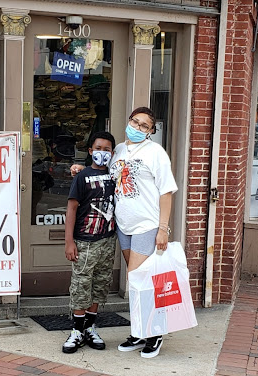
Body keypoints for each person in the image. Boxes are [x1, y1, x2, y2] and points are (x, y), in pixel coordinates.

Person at [71, 107, 177, 359]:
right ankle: (140, 331)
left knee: (141, 280)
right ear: (128, 121)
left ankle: (154, 333)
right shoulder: (118, 150)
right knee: (136, 281)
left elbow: (166, 192)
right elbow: (103, 171)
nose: (137, 128)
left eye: (144, 125)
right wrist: (80, 169)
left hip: (146, 224)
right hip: (123, 225)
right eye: (135, 122)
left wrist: (163, 228)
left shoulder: (156, 153)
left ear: (151, 131)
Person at [62, 131, 117, 354]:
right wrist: (69, 241)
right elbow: (72, 208)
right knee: (81, 284)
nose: (102, 153)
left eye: (107, 150)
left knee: (100, 284)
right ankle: (76, 330)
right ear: (90, 151)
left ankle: (90, 327)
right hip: (84, 241)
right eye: (98, 149)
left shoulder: (115, 176)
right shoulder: (82, 176)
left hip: (107, 240)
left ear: (113, 153)